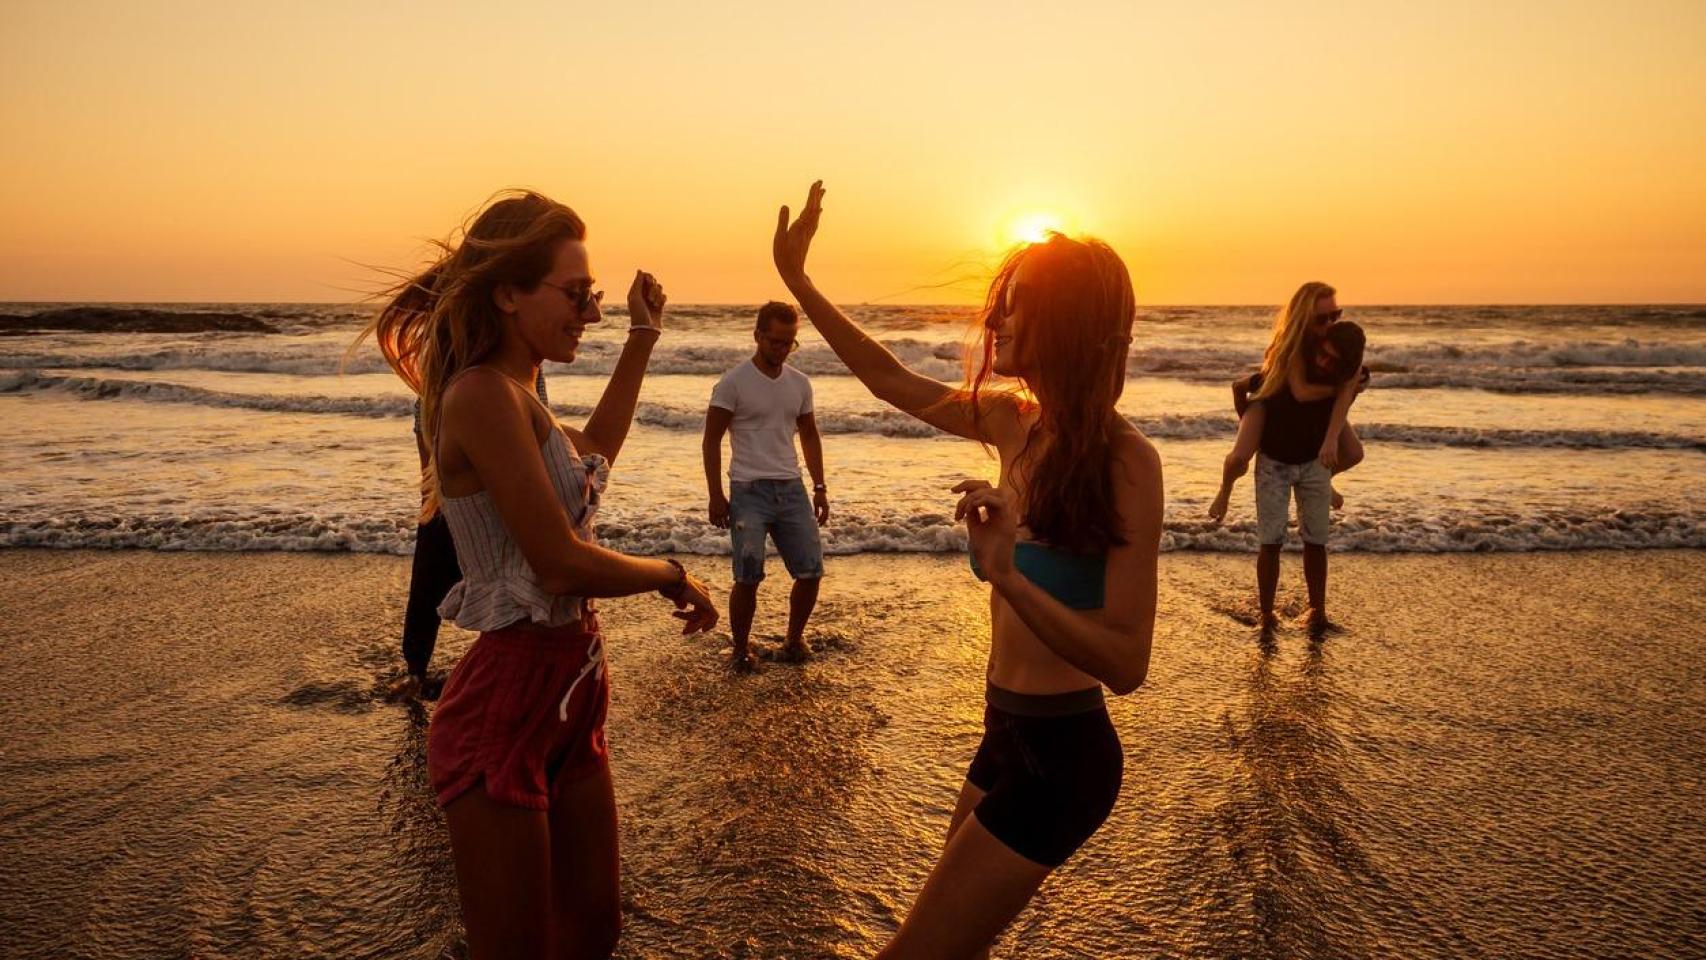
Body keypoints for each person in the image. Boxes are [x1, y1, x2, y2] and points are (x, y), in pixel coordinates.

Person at [773, 181, 1159, 959]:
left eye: (1016, 306)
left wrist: (1010, 574)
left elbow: (1126, 663)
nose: (995, 320)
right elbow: (891, 381)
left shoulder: (1127, 462)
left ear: (1069, 321)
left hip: (1065, 758)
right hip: (1003, 733)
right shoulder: (1014, 422)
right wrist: (800, 283)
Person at [355, 190, 718, 960]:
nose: (592, 312)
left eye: (594, 294)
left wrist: (644, 336)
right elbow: (557, 563)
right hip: (506, 701)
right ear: (509, 294)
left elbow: (597, 452)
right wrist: (669, 573)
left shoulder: (522, 399)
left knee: (593, 932)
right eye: (577, 294)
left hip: (572, 687)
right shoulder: (479, 395)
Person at [1207, 287, 1368, 633]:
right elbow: (1301, 392)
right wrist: (1342, 389)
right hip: (1271, 420)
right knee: (1269, 534)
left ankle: (1317, 611)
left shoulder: (1346, 348)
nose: (1329, 324)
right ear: (1303, 318)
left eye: (1335, 316)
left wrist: (1340, 410)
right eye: (1322, 318)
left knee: (1317, 539)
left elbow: (1342, 404)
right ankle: (1266, 614)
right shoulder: (1291, 347)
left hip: (1310, 451)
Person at [398, 367, 549, 701]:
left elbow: (538, 424)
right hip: (468, 490)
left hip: (476, 487)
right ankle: (416, 671)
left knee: (439, 577)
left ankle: (418, 671)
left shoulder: (517, 362)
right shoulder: (464, 370)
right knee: (440, 573)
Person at [702, 301, 829, 670]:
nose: (782, 349)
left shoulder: (799, 383)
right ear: (758, 336)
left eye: (789, 342)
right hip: (748, 489)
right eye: (776, 341)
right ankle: (741, 651)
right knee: (748, 575)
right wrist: (716, 495)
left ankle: (793, 640)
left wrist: (820, 486)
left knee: (811, 571)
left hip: (791, 487)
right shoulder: (732, 383)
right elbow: (711, 440)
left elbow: (809, 434)